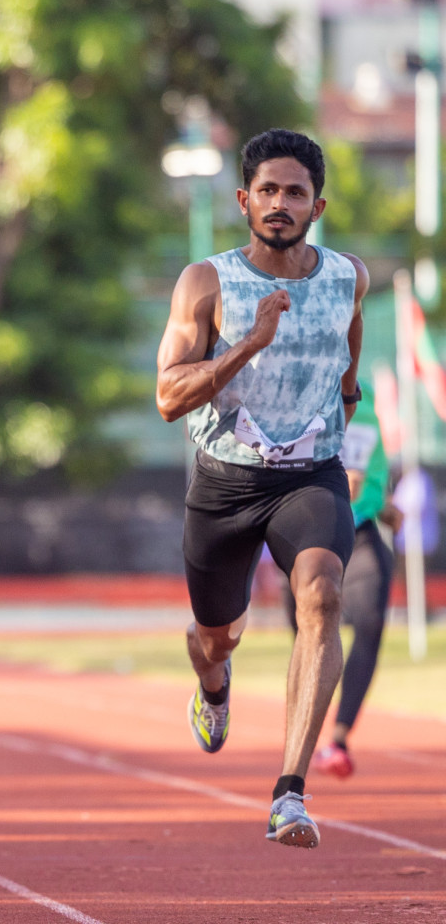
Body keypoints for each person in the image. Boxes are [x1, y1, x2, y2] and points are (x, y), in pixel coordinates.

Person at [155, 128, 367, 848]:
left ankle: (290, 794)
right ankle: (213, 684)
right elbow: (168, 397)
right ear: (244, 200)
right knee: (217, 637)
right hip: (224, 484)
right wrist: (247, 343)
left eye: (295, 193)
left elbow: (349, 367)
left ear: (318, 205)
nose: (281, 204)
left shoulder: (349, 278)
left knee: (323, 594)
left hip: (309, 478)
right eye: (268, 191)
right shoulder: (207, 282)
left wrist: (343, 418)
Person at [278, 384, 400, 778]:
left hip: (360, 532)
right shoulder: (295, 401)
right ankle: (306, 727)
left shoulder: (367, 418)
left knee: (370, 625)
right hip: (311, 531)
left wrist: (385, 507)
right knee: (307, 632)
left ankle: (340, 738)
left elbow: (371, 481)